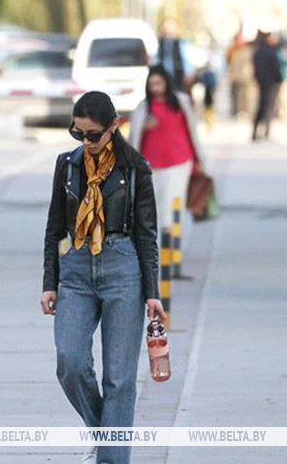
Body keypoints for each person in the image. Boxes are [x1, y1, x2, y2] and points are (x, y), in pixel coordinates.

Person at [41, 91, 166, 464]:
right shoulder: (67, 165)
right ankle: (105, 434)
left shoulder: (136, 169)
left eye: (93, 134)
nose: (85, 142)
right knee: (70, 362)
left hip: (122, 268)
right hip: (76, 269)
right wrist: (50, 281)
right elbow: (54, 227)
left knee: (119, 379)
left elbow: (147, 234)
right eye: (77, 133)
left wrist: (153, 291)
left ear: (115, 126)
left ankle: (111, 458)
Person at [127, 65, 208, 233]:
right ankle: (157, 247)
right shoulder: (143, 107)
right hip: (150, 164)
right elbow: (133, 137)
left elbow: (191, 132)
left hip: (179, 161)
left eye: (158, 83)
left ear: (167, 83)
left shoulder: (181, 102)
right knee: (153, 206)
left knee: (173, 203)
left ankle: (172, 247)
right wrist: (144, 127)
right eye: (151, 84)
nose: (155, 87)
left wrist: (198, 159)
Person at [251, 30, 283, 141]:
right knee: (270, 107)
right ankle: (266, 132)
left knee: (261, 106)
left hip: (262, 83)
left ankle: (255, 132)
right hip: (271, 83)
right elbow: (276, 68)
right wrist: (280, 80)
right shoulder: (270, 52)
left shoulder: (258, 51)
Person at [157, 17, 194, 93]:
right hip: (163, 77)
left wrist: (188, 72)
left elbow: (187, 59)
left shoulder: (181, 43)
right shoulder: (159, 43)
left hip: (178, 78)